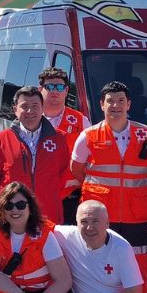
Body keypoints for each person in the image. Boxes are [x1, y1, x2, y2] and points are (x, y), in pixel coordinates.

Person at [70, 81, 147, 293]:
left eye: (121, 100)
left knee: (139, 266)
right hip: (101, 215)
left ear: (129, 104)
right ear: (102, 104)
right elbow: (77, 169)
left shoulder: (146, 135)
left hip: (136, 215)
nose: (115, 105)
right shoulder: (88, 136)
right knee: (98, 263)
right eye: (110, 101)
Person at [0, 86, 72, 222]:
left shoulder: (59, 138)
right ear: (15, 110)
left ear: (42, 108)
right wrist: (7, 202)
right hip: (14, 213)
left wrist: (50, 195)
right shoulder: (1, 139)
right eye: (24, 106)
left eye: (35, 106)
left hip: (49, 213)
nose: (30, 111)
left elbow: (65, 174)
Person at [38, 67, 90, 223]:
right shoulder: (30, 119)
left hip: (70, 195)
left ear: (66, 90)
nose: (55, 91)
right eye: (50, 87)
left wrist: (79, 180)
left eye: (60, 87)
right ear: (40, 89)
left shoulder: (80, 121)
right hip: (39, 193)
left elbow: (92, 157)